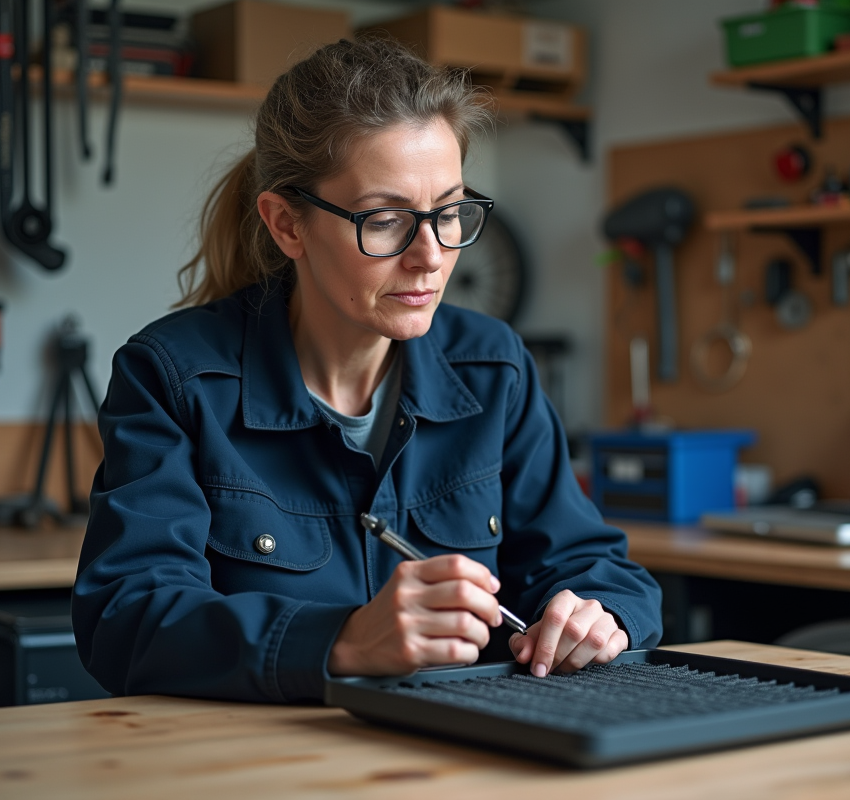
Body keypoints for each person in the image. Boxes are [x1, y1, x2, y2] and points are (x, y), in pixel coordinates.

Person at [72, 36, 662, 703]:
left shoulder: (495, 368)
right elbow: (128, 617)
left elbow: (595, 566)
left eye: (449, 213)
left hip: (468, 745)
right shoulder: (173, 378)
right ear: (286, 225)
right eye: (385, 220)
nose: (430, 255)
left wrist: (600, 616)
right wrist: (342, 641)